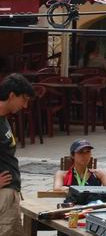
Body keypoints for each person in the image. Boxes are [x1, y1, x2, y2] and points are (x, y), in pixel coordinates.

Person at [0, 74, 35, 235]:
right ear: (12, 95)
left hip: (10, 194)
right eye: (24, 99)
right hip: (4, 195)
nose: (25, 105)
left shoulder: (4, 120)